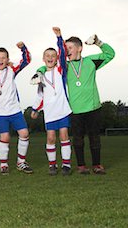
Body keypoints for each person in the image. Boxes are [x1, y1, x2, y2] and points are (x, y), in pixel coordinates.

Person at [32, 32, 115, 174]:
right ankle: (81, 166)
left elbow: (110, 54)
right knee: (78, 139)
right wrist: (39, 71)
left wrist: (98, 42)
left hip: (93, 106)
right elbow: (47, 67)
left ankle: (97, 165)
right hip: (75, 109)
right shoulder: (65, 68)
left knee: (94, 137)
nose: (67, 51)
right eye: (66, 48)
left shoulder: (90, 62)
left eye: (70, 47)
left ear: (79, 48)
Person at [30, 27, 72, 176]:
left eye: (53, 55)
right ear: (43, 58)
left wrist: (59, 37)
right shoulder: (40, 76)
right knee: (50, 137)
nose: (50, 57)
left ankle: (66, 165)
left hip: (63, 109)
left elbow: (62, 55)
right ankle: (52, 165)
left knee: (64, 136)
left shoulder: (60, 70)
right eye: (47, 55)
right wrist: (35, 109)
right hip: (50, 112)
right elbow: (40, 95)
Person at [0, 42, 33, 175]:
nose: (1, 60)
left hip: (14, 110)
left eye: (4, 58)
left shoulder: (12, 70)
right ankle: (3, 165)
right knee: (5, 137)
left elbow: (27, 60)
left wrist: (23, 48)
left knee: (24, 134)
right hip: (0, 111)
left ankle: (21, 162)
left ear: (8, 60)